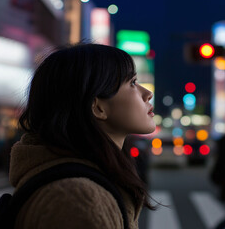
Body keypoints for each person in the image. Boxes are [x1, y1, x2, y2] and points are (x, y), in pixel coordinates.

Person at [10, 43, 156, 228]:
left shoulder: (83, 185)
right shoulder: (77, 200)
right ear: (98, 107)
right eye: (132, 83)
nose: (148, 93)